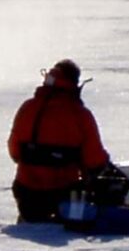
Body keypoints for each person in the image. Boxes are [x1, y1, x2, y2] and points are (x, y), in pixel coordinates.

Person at [8, 59, 110, 222]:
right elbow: (94, 160)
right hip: (63, 194)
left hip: (26, 192)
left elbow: (14, 152)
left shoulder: (27, 107)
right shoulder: (80, 114)